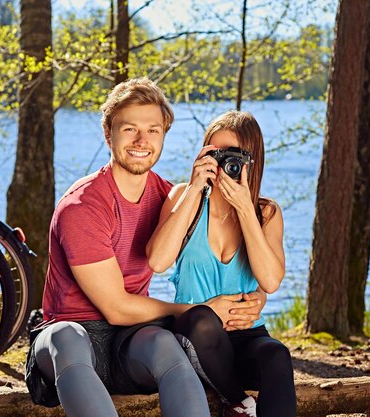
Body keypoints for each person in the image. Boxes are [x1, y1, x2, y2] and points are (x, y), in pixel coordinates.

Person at [25, 78, 267, 417]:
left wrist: (252, 299)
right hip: (71, 340)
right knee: (67, 338)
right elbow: (115, 308)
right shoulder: (82, 207)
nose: (142, 141)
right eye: (130, 129)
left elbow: (222, 250)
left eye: (153, 130)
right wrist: (197, 310)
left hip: (131, 341)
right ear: (109, 134)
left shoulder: (171, 199)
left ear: (164, 135)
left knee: (165, 345)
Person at [146, 111, 297, 417]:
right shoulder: (183, 197)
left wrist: (244, 207)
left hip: (246, 336)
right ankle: (238, 403)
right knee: (202, 320)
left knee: (277, 354)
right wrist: (193, 188)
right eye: (214, 153)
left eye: (233, 155)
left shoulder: (265, 213)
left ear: (251, 161)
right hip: (195, 337)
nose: (222, 164)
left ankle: (240, 402)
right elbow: (158, 261)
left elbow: (269, 281)